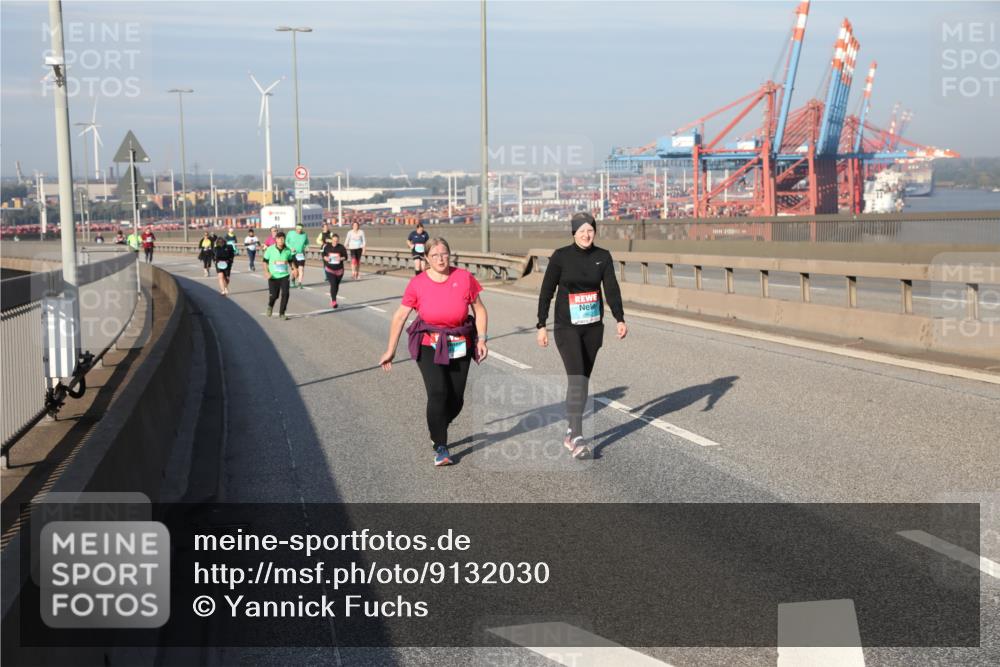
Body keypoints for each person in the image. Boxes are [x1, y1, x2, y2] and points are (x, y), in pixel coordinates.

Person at [380, 238, 488, 467]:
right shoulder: (418, 283)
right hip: (428, 342)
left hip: (460, 341)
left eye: (445, 254)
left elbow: (479, 309)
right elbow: (400, 316)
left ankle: (436, 426)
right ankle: (441, 446)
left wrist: (482, 339)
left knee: (456, 399)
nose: (441, 259)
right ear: (427, 258)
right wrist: (390, 350)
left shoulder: (464, 278)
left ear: (450, 255)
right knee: (438, 392)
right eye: (435, 255)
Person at [536, 212, 627, 460]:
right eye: (581, 230)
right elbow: (547, 291)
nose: (586, 235)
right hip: (567, 327)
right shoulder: (561, 257)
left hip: (592, 327)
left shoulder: (603, 257)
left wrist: (619, 318)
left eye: (590, 230)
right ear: (573, 233)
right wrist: (541, 323)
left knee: (583, 381)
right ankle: (577, 436)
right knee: (576, 378)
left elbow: (611, 289)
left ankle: (569, 430)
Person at [263, 231, 293, 320]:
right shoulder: (270, 249)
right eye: (279, 239)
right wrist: (266, 272)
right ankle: (270, 306)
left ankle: (282, 313)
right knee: (274, 296)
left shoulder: (287, 250)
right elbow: (265, 261)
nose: (281, 240)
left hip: (284, 275)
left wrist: (294, 269)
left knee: (286, 294)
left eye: (282, 239)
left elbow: (290, 260)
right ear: (276, 240)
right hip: (273, 276)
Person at [321, 233, 348, 308]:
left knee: (336, 285)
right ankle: (334, 301)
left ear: (338, 241)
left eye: (336, 241)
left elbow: (346, 257)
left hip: (339, 270)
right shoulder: (327, 247)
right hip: (330, 269)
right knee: (333, 284)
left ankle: (333, 297)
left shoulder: (341, 247)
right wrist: (325, 258)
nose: (335, 242)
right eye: (334, 241)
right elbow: (323, 254)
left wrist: (341, 258)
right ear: (331, 240)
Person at [285, 222, 309, 288]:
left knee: (301, 269)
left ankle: (299, 283)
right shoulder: (290, 233)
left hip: (301, 254)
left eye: (301, 229)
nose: (299, 230)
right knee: (295, 270)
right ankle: (292, 280)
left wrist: (306, 247)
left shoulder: (304, 235)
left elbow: (307, 243)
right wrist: (290, 248)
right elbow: (286, 242)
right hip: (292, 254)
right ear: (295, 228)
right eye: (298, 229)